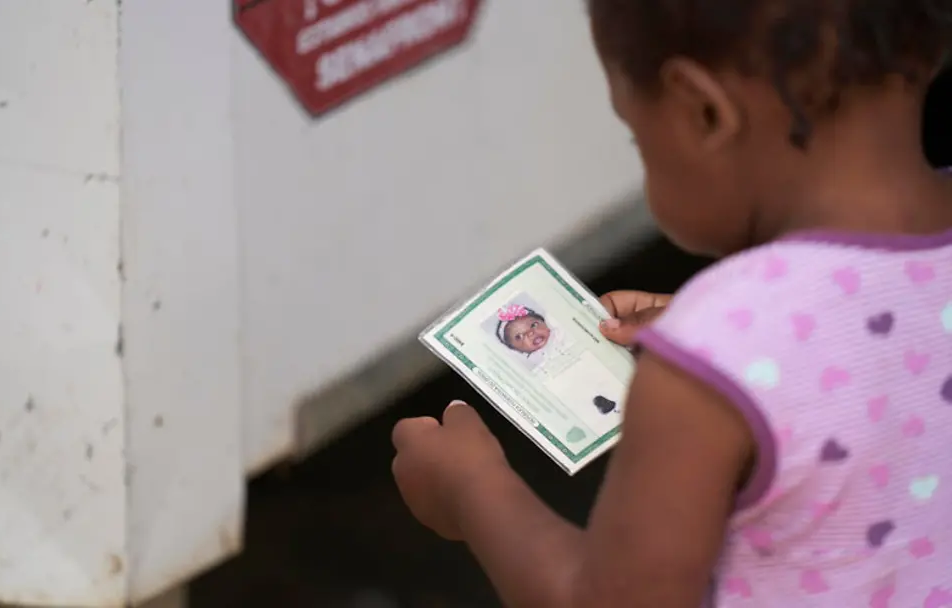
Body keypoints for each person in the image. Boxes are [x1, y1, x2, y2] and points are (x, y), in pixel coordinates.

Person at [390, 0, 952, 606]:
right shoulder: (735, 343)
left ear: (702, 112)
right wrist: (732, 334)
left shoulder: (708, 362)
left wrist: (472, 490)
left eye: (636, 135)